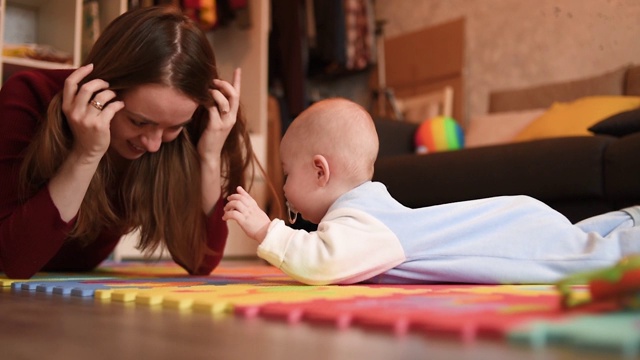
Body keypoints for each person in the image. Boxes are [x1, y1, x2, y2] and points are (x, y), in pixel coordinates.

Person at [223, 97, 640, 285]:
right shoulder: (363, 214)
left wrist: (266, 231)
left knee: (594, 259)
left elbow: (324, 264)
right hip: (518, 218)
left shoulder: (364, 222)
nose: (283, 186)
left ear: (320, 171)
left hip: (513, 234)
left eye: (286, 172)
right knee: (583, 240)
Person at [0, 6, 257, 279]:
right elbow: (14, 261)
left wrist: (210, 155)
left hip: (82, 280)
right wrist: (86, 154)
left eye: (174, 127)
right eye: (138, 121)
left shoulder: (187, 117)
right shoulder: (29, 94)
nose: (154, 144)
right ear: (104, 90)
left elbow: (200, 262)